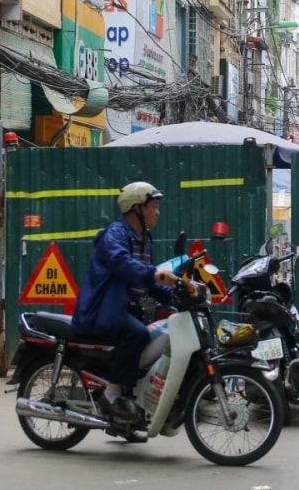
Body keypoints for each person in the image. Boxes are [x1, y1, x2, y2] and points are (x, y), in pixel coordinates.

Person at [72, 182, 179, 425]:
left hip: (124, 309)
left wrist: (177, 297)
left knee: (153, 336)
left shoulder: (143, 239)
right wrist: (154, 274)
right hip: (102, 310)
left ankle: (130, 408)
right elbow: (123, 264)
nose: (157, 212)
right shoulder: (115, 235)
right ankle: (112, 394)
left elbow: (149, 283)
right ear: (137, 209)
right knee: (138, 335)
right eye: (153, 206)